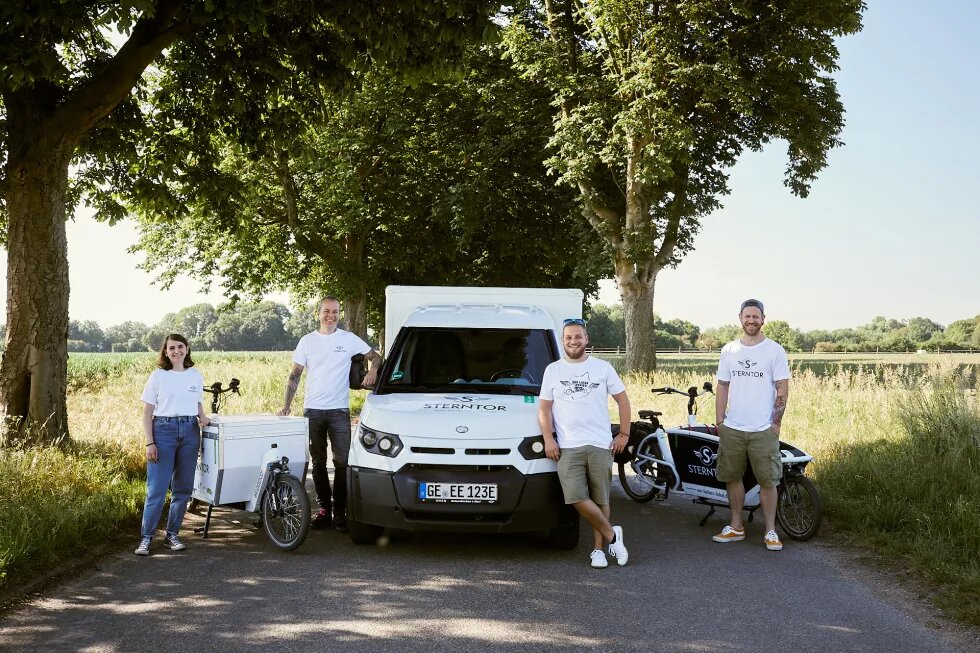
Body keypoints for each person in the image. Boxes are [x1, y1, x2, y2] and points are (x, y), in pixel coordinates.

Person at [279, 296, 382, 532]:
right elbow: (294, 375)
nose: (331, 316)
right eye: (326, 311)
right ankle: (324, 510)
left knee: (342, 462)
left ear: (339, 314)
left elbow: (376, 356)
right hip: (313, 410)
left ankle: (340, 513)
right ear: (319, 313)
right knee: (318, 462)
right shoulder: (307, 341)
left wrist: (373, 370)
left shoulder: (348, 339)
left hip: (338, 411)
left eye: (335, 312)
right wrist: (286, 405)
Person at [538, 318, 631, 568]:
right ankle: (613, 535)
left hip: (600, 443)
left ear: (586, 339)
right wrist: (549, 439)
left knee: (601, 498)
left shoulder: (603, 368)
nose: (573, 341)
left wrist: (624, 434)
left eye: (578, 336)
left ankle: (598, 551)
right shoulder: (553, 370)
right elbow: (544, 409)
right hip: (568, 446)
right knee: (576, 497)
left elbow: (623, 400)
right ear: (563, 340)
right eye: (568, 337)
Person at [712, 298, 791, 551]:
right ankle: (736, 526)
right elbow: (722, 385)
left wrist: (775, 424)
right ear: (740, 318)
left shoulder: (774, 351)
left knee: (769, 481)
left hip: (763, 429)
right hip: (733, 427)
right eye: (747, 316)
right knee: (732, 477)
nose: (751, 320)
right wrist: (720, 420)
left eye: (756, 316)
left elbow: (782, 389)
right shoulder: (729, 350)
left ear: (763, 319)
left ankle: (770, 531)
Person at [136, 333, 210, 556]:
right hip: (163, 431)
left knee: (183, 488)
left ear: (187, 349)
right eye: (171, 348)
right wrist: (150, 442)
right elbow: (147, 412)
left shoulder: (196, 376)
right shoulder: (158, 376)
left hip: (189, 431)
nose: (176, 351)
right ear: (165, 352)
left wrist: (203, 417)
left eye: (180, 347)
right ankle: (146, 538)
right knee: (157, 489)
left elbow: (196, 403)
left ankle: (172, 535)